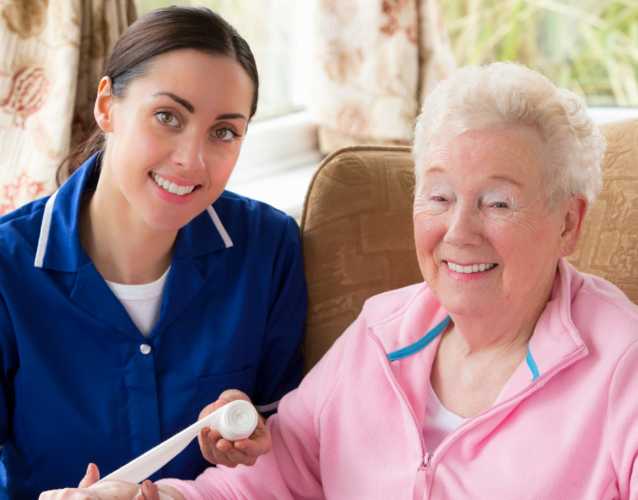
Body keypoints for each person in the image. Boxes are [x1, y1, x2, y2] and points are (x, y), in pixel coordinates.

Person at [69, 62, 638, 499]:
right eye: (438, 196)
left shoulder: (622, 366)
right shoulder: (381, 333)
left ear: (568, 223)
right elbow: (263, 483)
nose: (459, 232)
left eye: (498, 203)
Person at [0, 7, 306, 500]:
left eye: (223, 132)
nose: (192, 159)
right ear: (107, 106)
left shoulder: (269, 248)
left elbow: (293, 446)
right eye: (167, 117)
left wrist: (253, 435)